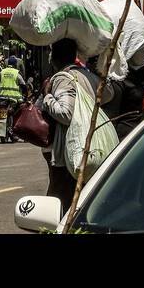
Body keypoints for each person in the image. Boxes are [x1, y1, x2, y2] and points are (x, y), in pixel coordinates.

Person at [42, 38, 111, 211]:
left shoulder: (63, 78)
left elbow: (65, 113)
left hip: (69, 154)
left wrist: (47, 97)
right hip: (91, 146)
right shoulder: (87, 74)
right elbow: (109, 94)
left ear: (54, 58)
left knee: (59, 206)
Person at [0, 56, 27, 142]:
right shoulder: (17, 73)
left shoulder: (2, 72)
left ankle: (1, 132)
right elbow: (23, 85)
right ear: (15, 64)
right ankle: (12, 131)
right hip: (13, 99)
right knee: (15, 114)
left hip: (2, 98)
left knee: (1, 114)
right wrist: (24, 94)